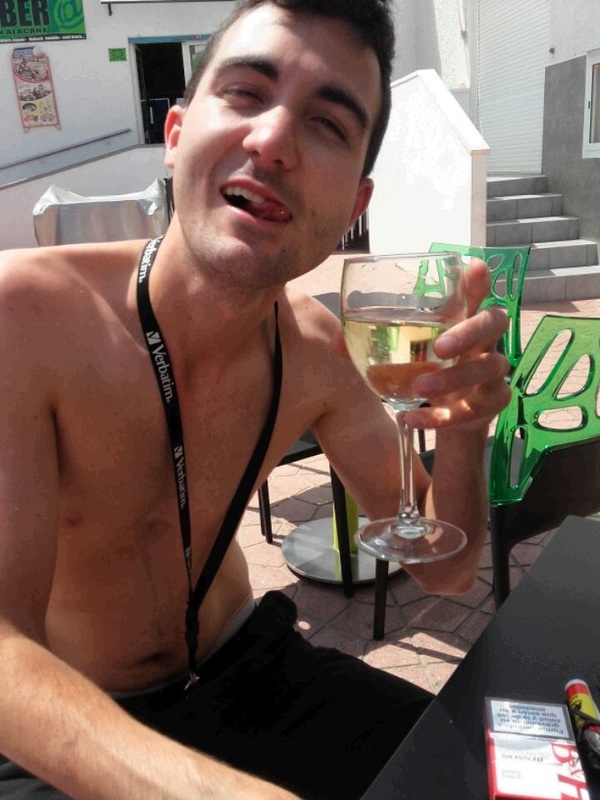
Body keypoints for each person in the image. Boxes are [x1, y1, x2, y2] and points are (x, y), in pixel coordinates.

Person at [0, 1, 510, 798]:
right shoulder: (24, 319)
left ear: (354, 208)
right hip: (66, 715)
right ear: (175, 135)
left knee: (482, 775)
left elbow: (443, 574)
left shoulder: (319, 351)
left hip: (248, 669)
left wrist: (470, 431)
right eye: (245, 92)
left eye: (327, 124)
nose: (273, 141)